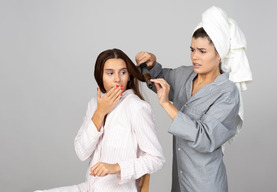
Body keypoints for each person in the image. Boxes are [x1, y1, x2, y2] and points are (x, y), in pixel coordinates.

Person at [135, 6, 252, 192]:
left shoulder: (227, 93)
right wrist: (151, 63)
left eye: (202, 51)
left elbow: (205, 138)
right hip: (180, 181)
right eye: (192, 50)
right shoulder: (184, 75)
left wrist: (166, 104)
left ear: (219, 53)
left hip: (205, 184)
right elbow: (157, 80)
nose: (194, 57)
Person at [35, 48, 165, 192]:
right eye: (110, 73)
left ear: (129, 76)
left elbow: (156, 159)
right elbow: (81, 152)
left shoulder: (137, 107)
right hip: (89, 188)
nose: (117, 79)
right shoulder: (94, 105)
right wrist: (100, 112)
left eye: (123, 72)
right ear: (100, 76)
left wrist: (116, 167)